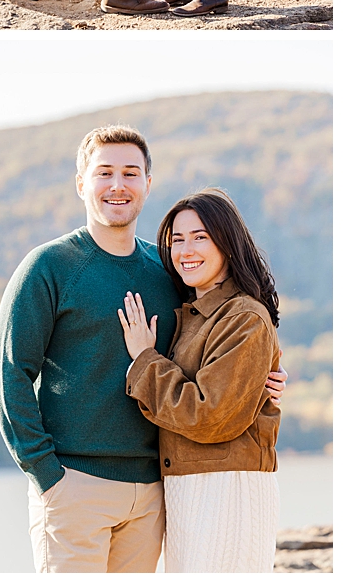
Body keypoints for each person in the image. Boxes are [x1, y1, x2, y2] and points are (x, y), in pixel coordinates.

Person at [0, 125, 285, 572]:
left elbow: (215, 346)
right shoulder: (49, 266)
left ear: (148, 183)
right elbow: (7, 374)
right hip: (74, 487)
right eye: (104, 172)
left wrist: (267, 377)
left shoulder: (168, 272)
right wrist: (47, 475)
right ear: (81, 183)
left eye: (131, 172)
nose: (117, 185)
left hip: (154, 494)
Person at [119, 189, 282, 572]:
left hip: (227, 491)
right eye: (177, 240)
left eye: (200, 237)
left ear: (227, 243)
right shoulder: (199, 313)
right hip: (191, 490)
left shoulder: (243, 316)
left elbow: (210, 414)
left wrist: (145, 359)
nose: (185, 250)